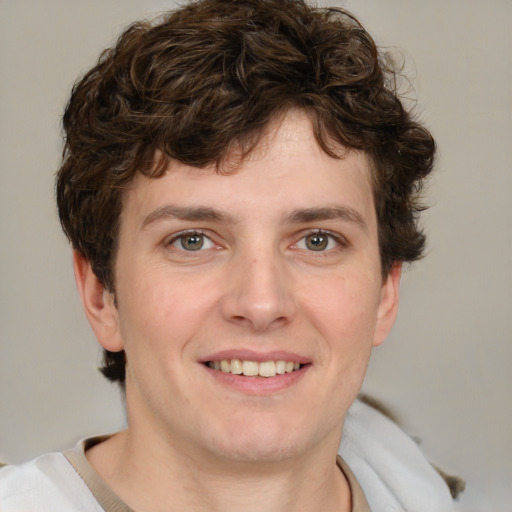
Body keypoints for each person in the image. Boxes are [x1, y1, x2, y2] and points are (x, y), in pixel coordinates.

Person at [0, 0, 465, 510]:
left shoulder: (408, 480)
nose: (262, 303)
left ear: (385, 292)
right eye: (192, 240)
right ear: (100, 295)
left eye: (317, 240)